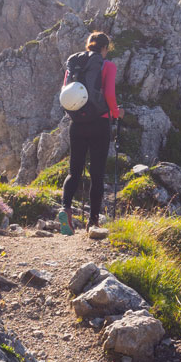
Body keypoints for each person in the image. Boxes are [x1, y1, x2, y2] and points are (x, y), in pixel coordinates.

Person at [59, 31, 122, 235]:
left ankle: (65, 209)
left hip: (77, 123)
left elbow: (65, 91)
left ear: (88, 45)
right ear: (105, 48)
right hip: (99, 124)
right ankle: (93, 222)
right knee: (96, 174)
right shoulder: (107, 66)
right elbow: (110, 94)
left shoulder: (74, 64)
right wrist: (116, 112)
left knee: (74, 172)